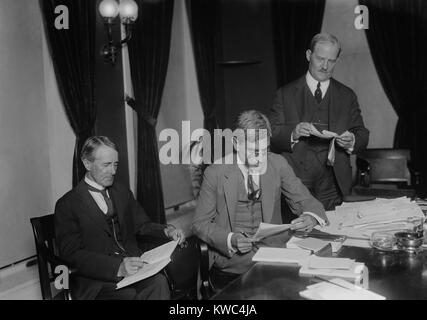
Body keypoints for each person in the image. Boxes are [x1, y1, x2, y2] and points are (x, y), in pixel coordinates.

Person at [192, 110, 327, 290]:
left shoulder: (278, 164)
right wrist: (230, 239)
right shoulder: (215, 173)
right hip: (232, 265)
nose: (261, 158)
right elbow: (199, 224)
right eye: (254, 151)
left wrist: (310, 216)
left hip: (274, 258)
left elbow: (305, 199)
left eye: (265, 150)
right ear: (236, 143)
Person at [54, 136, 185, 300]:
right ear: (87, 163)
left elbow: (142, 225)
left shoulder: (121, 192)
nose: (113, 171)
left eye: (115, 164)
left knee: (158, 282)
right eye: (106, 165)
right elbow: (71, 254)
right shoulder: (67, 204)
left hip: (133, 271)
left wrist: (167, 231)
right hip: (95, 282)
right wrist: (117, 267)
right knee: (128, 296)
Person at [269, 33, 369, 211]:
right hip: (296, 183)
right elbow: (272, 133)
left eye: (331, 61)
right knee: (300, 236)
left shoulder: (347, 95)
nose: (325, 66)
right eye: (320, 59)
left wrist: (351, 140)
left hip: (333, 185)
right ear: (309, 55)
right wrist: (293, 132)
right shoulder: (285, 94)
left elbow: (362, 134)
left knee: (333, 233)